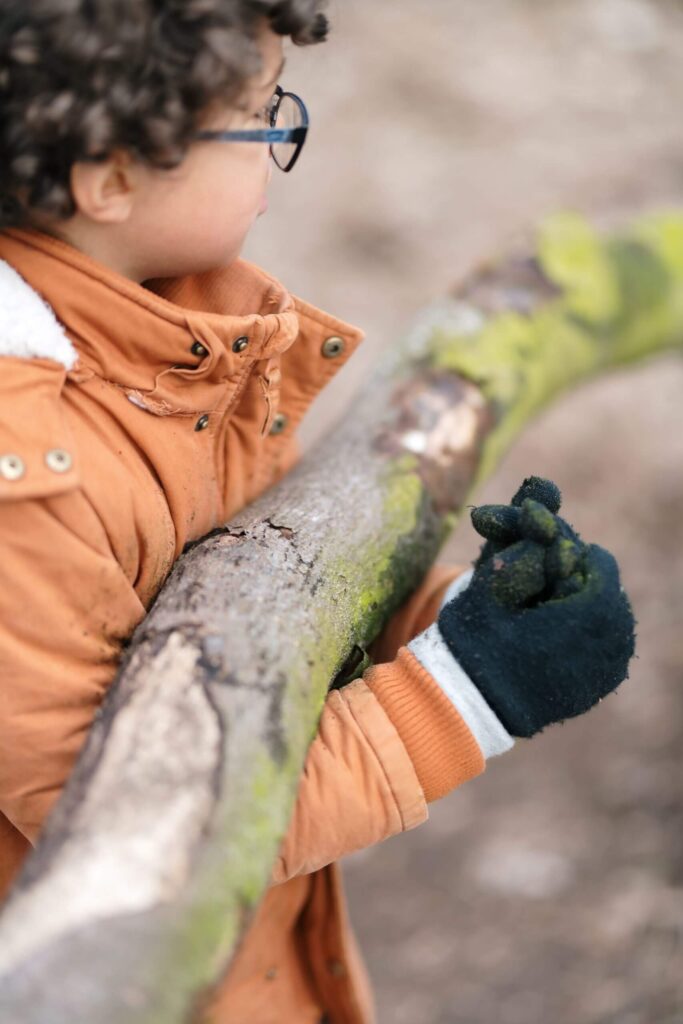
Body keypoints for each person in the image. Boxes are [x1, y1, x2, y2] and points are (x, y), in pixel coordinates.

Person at [0, 3, 635, 1022]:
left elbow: (266, 602)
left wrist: (461, 617)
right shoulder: (24, 481)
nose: (278, 145)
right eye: (261, 116)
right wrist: (461, 695)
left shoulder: (165, 335)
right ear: (111, 175)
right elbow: (142, 835)